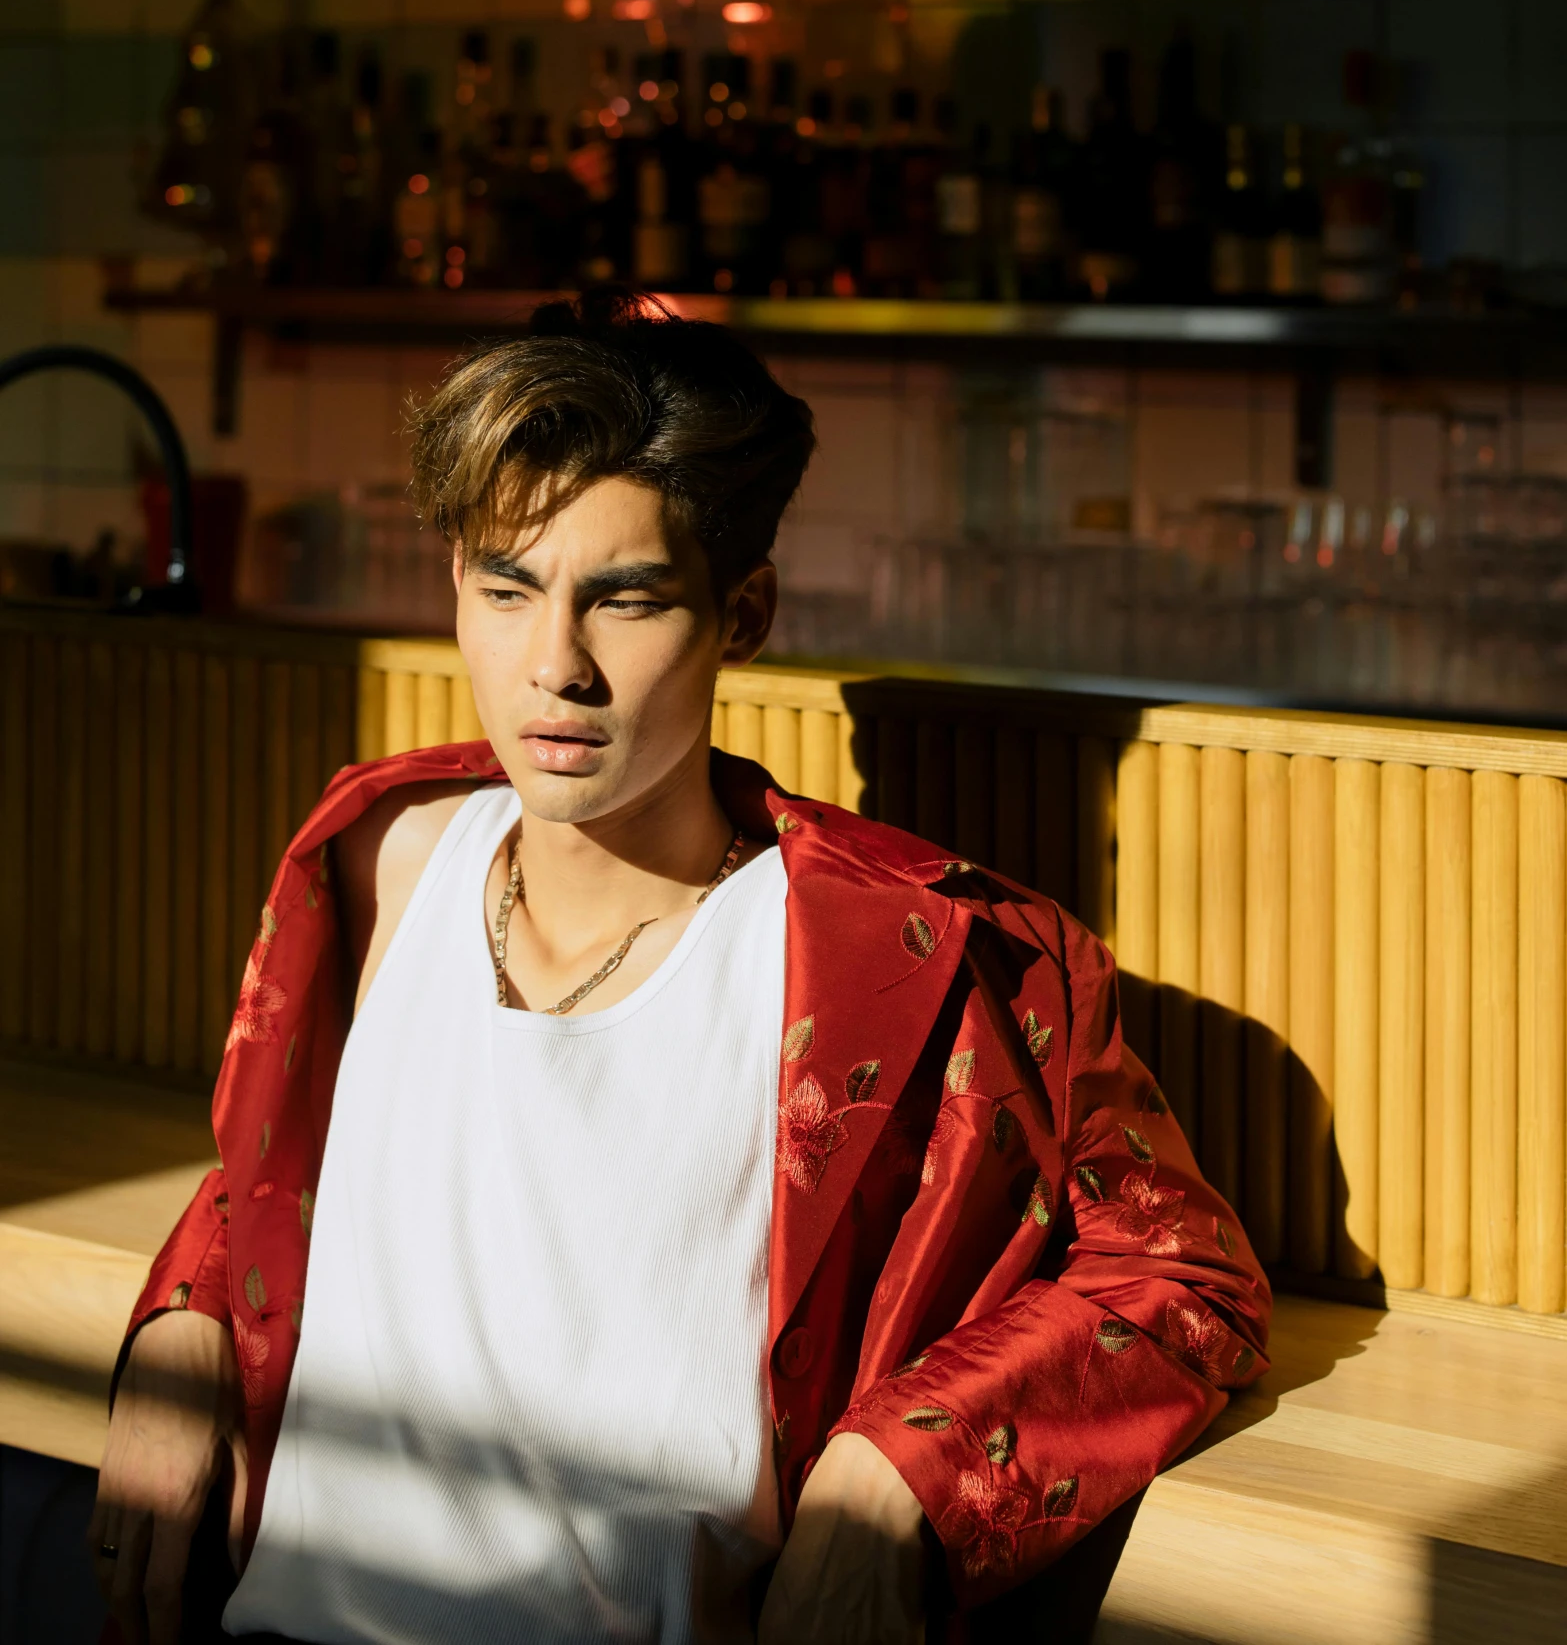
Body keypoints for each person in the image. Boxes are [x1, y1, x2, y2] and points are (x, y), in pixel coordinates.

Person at [91, 295, 1269, 1645]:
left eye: (625, 598)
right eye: (506, 587)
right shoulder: (376, 860)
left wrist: (902, 1477)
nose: (556, 667)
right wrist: (184, 1318)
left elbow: (1183, 1279)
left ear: (740, 610)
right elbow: (285, 1171)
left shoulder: (923, 954)